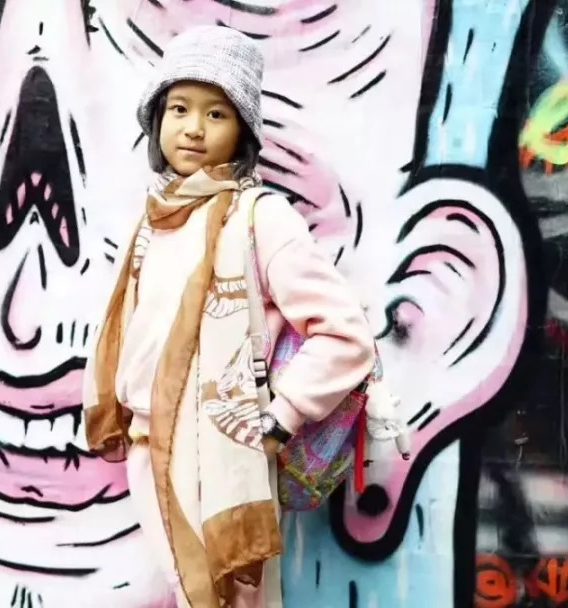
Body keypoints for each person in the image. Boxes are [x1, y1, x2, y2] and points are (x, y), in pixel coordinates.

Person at [82, 26, 376, 608]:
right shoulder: (153, 220)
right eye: (179, 109)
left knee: (231, 599)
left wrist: (277, 422)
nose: (193, 127)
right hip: (148, 443)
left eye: (216, 113)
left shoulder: (260, 217)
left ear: (242, 129)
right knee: (195, 594)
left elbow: (345, 335)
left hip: (219, 449)